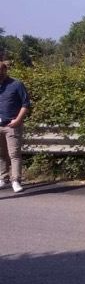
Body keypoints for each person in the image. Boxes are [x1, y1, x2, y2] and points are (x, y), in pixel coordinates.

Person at [0, 60, 32, 194]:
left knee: (14, 154)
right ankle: (2, 178)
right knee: (0, 154)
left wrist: (18, 120)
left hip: (12, 125)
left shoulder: (16, 84)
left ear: (5, 70)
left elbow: (26, 104)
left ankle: (16, 180)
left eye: (0, 72)